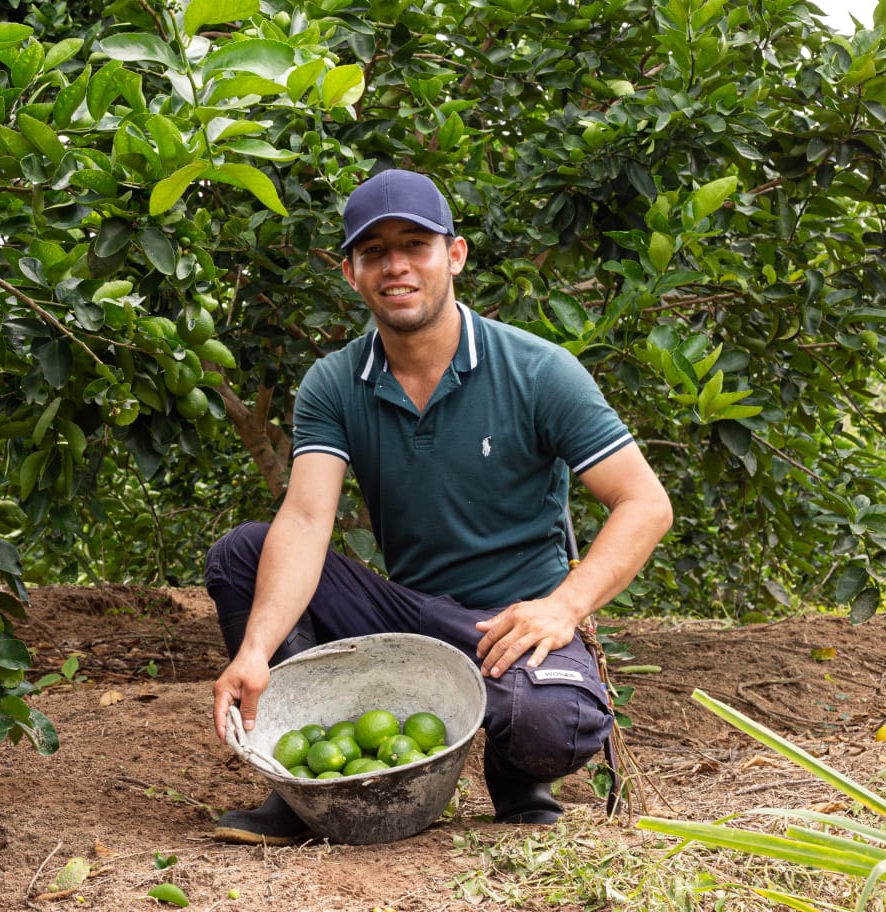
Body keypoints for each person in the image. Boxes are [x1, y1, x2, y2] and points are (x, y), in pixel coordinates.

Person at [205, 168, 673, 844]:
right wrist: (255, 650)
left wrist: (563, 607)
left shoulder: (537, 371)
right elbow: (307, 521)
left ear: (453, 255)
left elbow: (645, 502)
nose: (396, 266)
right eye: (374, 252)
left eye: (415, 245)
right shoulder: (336, 384)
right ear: (350, 272)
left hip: (512, 624)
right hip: (411, 619)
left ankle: (518, 778)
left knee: (557, 725)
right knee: (243, 553)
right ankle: (299, 790)